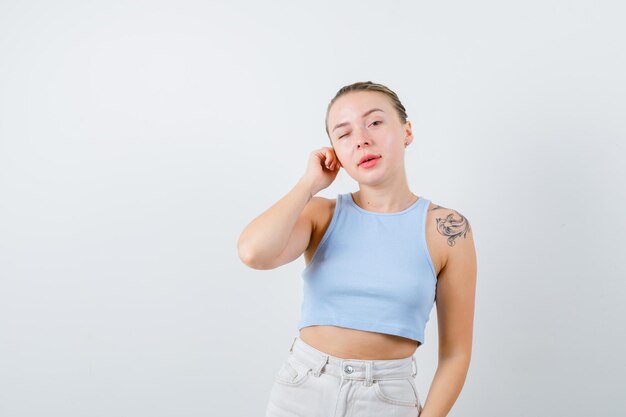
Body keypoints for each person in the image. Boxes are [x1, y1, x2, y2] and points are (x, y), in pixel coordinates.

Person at [237, 81, 477, 417]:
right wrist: (308, 184)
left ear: (407, 132)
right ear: (334, 150)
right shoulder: (321, 215)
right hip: (302, 388)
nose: (362, 138)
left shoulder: (447, 230)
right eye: (344, 133)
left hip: (386, 400)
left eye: (375, 122)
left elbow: (456, 354)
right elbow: (253, 253)